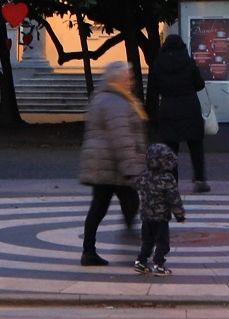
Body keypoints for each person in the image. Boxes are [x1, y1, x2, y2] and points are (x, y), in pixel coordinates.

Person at [78, 61, 146, 266]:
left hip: (105, 164)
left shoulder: (107, 97)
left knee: (102, 206)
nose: (131, 81)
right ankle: (132, 240)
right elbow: (121, 137)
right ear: (118, 79)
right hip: (112, 166)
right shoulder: (116, 102)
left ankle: (91, 250)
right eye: (128, 77)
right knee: (125, 203)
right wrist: (130, 169)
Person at [147, 30, 211, 193]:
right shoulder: (188, 62)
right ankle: (199, 179)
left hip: (168, 108)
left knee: (170, 147)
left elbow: (154, 88)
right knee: (195, 144)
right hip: (189, 107)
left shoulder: (158, 64)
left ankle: (172, 182)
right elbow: (199, 84)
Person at [134, 143, 180, 275]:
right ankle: (159, 264)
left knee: (147, 241)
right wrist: (180, 215)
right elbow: (174, 199)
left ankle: (141, 262)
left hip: (146, 217)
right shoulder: (168, 179)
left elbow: (136, 184)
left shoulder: (144, 176)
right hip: (161, 218)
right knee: (162, 242)